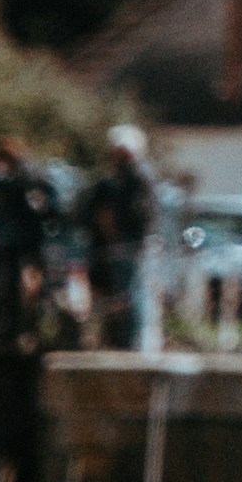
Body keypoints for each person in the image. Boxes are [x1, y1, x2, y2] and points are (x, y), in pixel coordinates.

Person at [84, 127, 158, 344]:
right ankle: (126, 338)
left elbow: (107, 215)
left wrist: (114, 239)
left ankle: (126, 339)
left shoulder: (126, 179)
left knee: (126, 294)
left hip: (125, 244)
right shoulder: (139, 176)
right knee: (129, 294)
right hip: (130, 244)